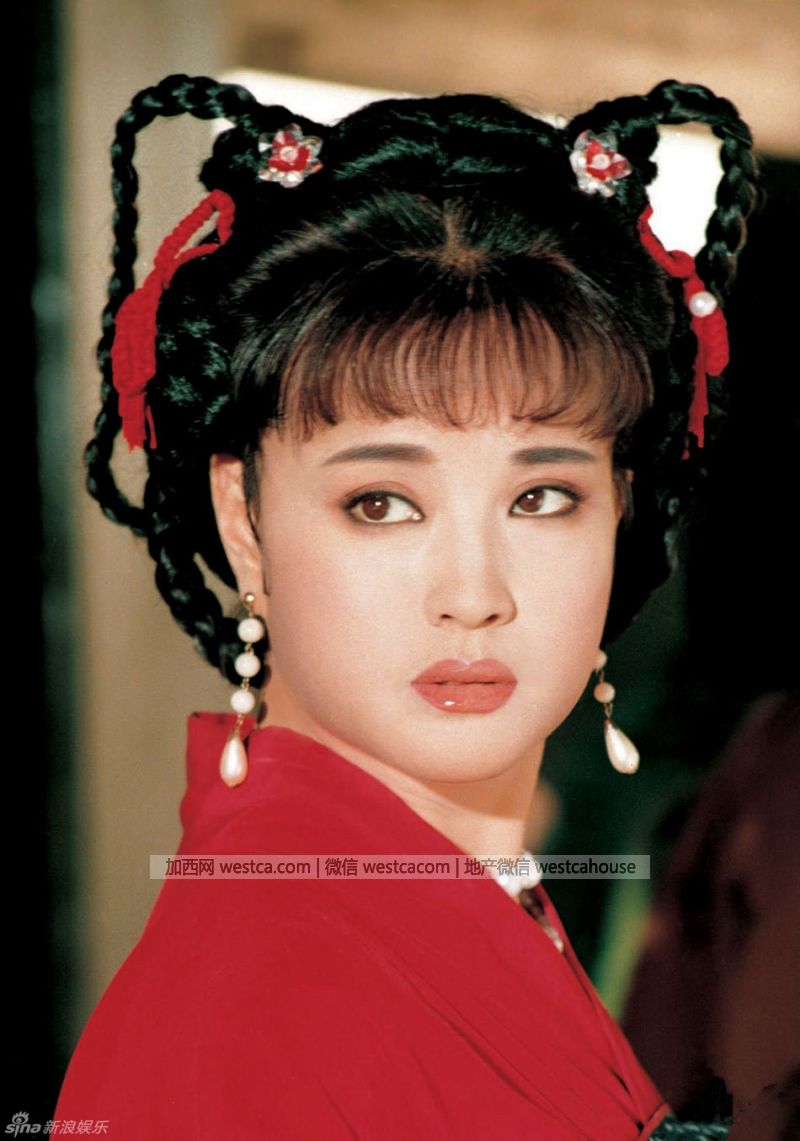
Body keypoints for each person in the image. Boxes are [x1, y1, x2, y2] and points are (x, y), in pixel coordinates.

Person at [55, 74, 756, 1139]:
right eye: (380, 502)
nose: (473, 595)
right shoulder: (264, 1001)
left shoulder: (433, 901)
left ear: (620, 508)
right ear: (244, 519)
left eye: (541, 497)